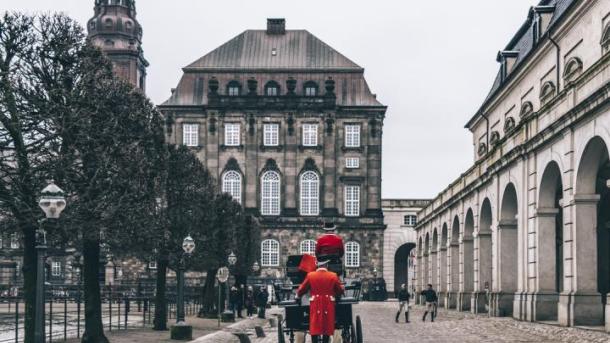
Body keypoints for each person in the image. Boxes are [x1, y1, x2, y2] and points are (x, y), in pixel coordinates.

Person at [297, 260, 345, 343]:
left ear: (317, 266)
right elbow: (340, 290)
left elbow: (302, 289)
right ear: (326, 265)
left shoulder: (310, 275)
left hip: (315, 303)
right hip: (328, 303)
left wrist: (298, 295)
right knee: (327, 325)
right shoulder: (333, 275)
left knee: (314, 324)